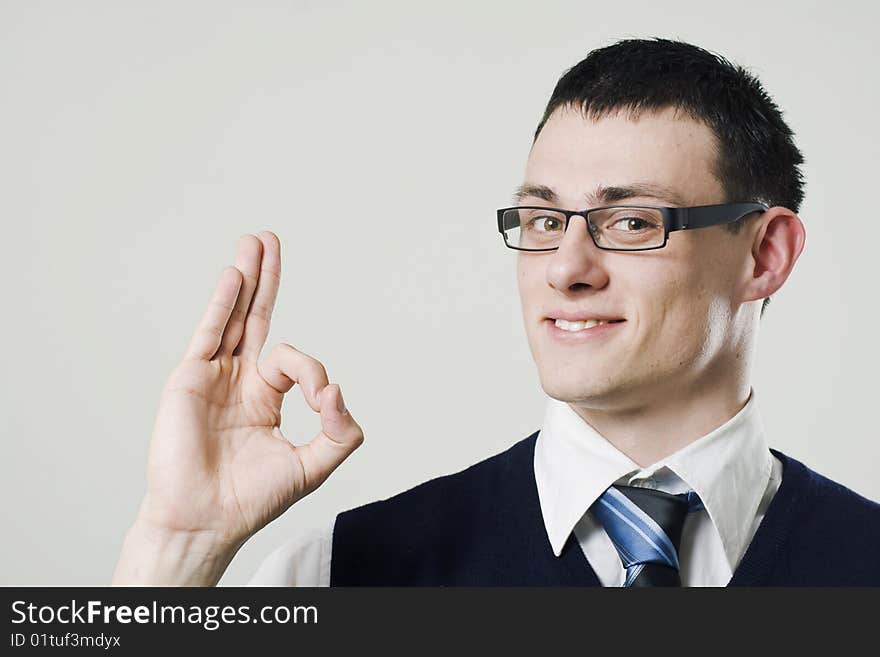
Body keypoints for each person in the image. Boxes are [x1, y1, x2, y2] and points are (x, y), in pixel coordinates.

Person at [112, 38, 880, 587]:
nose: (568, 269)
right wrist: (177, 548)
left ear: (766, 256)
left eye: (632, 222)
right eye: (545, 222)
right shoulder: (344, 573)